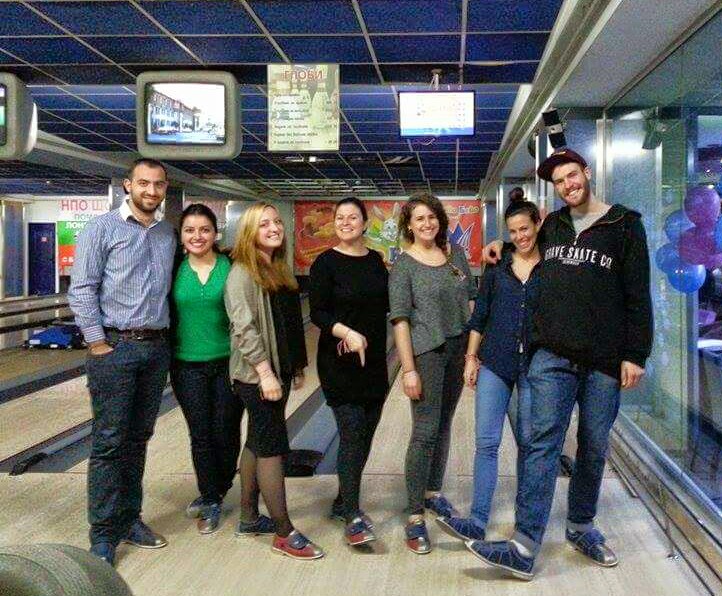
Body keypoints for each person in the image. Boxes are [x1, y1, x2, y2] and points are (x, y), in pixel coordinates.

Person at [467, 148, 653, 580]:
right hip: (552, 354)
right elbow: (522, 243)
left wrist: (635, 354)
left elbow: (637, 295)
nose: (568, 185)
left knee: (593, 444)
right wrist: (498, 244)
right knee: (541, 443)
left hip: (604, 359)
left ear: (586, 173)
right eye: (559, 181)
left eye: (572, 175)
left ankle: (581, 525)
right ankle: (524, 544)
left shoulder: (624, 224)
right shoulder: (553, 225)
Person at [69, 158, 176, 566]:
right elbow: (82, 288)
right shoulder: (101, 228)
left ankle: (130, 518)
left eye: (158, 184)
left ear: (165, 188)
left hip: (155, 349)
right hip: (115, 348)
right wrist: (97, 342)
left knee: (138, 439)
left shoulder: (166, 233)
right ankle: (103, 533)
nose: (151, 191)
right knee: (110, 442)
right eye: (143, 183)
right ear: (128, 185)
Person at [436, 200, 542, 543]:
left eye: (525, 228)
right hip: (495, 362)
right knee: (486, 443)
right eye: (513, 231)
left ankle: (525, 523)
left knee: (528, 444)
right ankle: (477, 519)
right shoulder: (498, 267)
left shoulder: (552, 266)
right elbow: (480, 314)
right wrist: (471, 357)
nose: (520, 236)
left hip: (534, 367)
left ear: (537, 225)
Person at [224, 202, 324, 560]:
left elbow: (287, 324)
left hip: (276, 370)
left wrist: (293, 367)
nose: (274, 228)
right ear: (250, 232)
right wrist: (266, 374)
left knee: (257, 440)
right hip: (256, 375)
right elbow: (244, 329)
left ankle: (249, 518)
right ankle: (283, 532)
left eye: (277, 222)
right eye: (264, 224)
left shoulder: (276, 268)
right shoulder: (242, 272)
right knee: (271, 448)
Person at [388, 192, 476, 554]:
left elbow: (471, 299)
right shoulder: (403, 265)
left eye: (432, 217)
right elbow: (400, 320)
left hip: (457, 349)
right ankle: (414, 515)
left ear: (440, 220)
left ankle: (432, 492)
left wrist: (472, 352)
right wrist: (408, 369)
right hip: (427, 352)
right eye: (419, 218)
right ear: (409, 225)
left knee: (444, 424)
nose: (427, 224)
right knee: (424, 431)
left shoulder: (456, 255)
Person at [309, 197, 389, 547]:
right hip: (339, 362)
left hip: (373, 364)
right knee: (353, 432)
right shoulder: (324, 263)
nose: (345, 222)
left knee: (365, 435)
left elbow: (388, 304)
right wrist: (347, 332)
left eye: (352, 217)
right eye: (340, 217)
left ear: (364, 223)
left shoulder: (375, 261)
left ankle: (343, 500)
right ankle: (353, 516)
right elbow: (318, 312)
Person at [169, 203, 240, 535]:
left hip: (228, 362)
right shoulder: (173, 269)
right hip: (186, 365)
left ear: (215, 233)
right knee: (200, 434)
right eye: (190, 230)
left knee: (226, 431)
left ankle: (219, 487)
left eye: (204, 230)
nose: (197, 236)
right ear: (182, 235)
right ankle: (210, 496)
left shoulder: (233, 267)